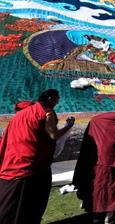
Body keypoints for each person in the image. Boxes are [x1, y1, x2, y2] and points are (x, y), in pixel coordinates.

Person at [0, 89, 75, 224]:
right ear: (51, 98)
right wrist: (69, 125)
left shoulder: (21, 114)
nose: (58, 101)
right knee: (30, 204)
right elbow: (54, 135)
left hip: (11, 160)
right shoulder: (46, 112)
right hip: (31, 166)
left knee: (9, 204)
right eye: (57, 98)